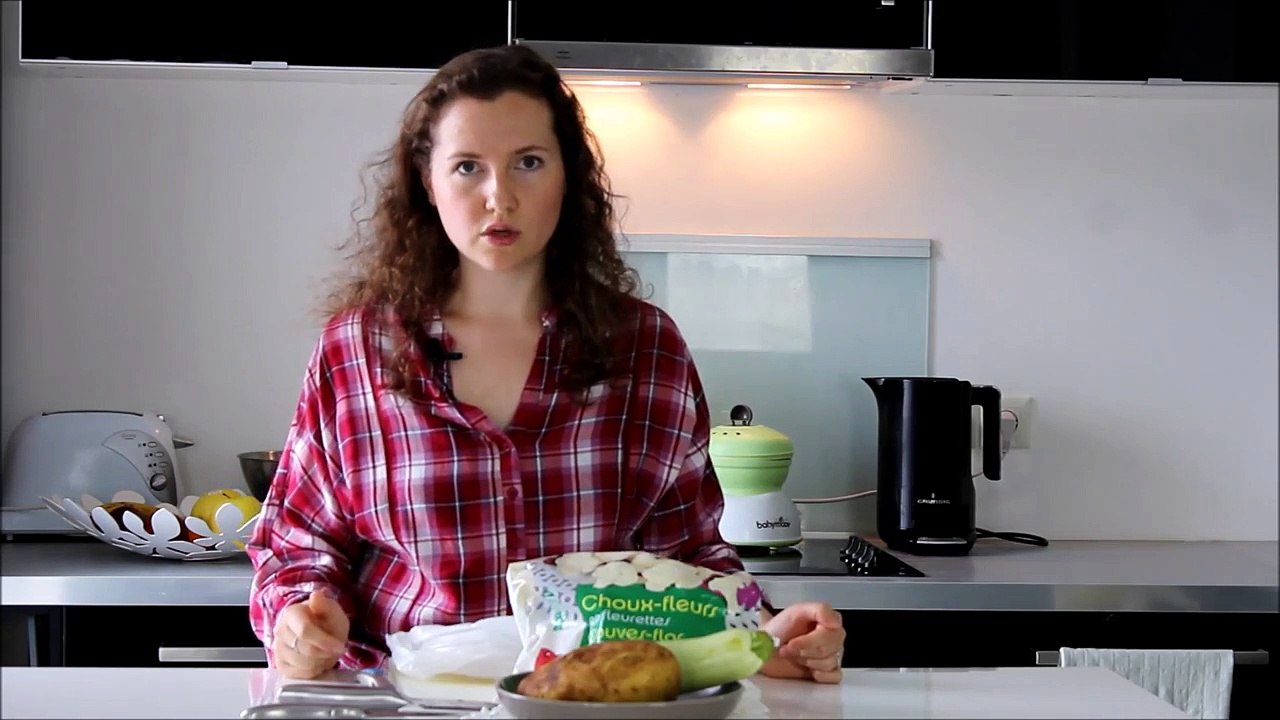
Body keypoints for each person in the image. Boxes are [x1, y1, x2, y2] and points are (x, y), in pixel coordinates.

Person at [245, 43, 845, 684]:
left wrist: (761, 636)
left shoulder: (645, 348)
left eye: (528, 162)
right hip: (403, 700)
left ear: (568, 175)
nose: (498, 197)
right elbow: (299, 543)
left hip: (595, 702)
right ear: (429, 182)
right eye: (468, 167)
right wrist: (301, 616)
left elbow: (692, 554)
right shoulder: (357, 349)